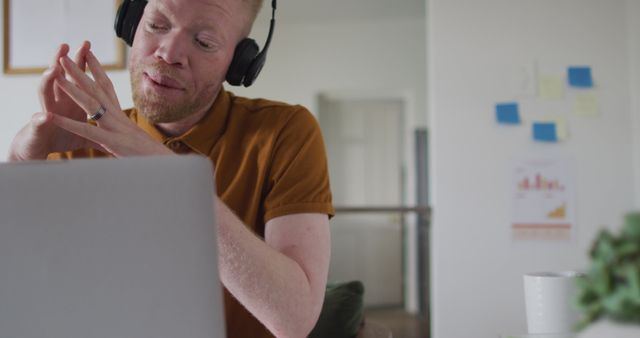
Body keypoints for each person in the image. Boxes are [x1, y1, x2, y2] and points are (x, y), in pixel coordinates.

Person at [7, 0, 334, 337]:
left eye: (204, 42)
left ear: (239, 63)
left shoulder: (286, 132)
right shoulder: (77, 135)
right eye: (157, 26)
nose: (169, 53)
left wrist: (166, 173)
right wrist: (21, 162)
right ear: (131, 23)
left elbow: (293, 320)